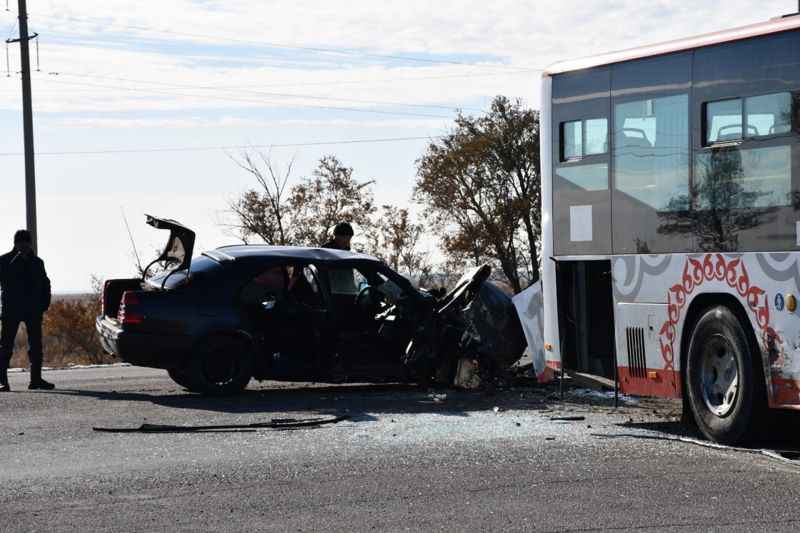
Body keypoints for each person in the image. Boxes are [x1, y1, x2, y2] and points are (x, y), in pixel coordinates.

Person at [0, 230, 54, 391]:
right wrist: (18, 260)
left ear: (30, 243)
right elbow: (5, 279)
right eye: (20, 242)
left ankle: (35, 379)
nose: (23, 245)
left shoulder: (37, 262)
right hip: (11, 310)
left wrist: (44, 303)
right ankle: (3, 381)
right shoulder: (5, 260)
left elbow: (45, 283)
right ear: (15, 243)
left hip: (32, 310)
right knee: (5, 347)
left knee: (36, 346)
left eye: (26, 242)